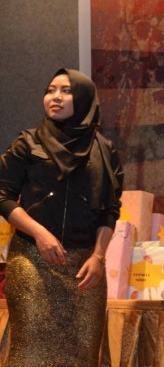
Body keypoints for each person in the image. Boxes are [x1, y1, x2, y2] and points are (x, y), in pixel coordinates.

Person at [0, 68, 123, 365]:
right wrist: (39, 234)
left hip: (85, 268)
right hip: (32, 259)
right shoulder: (28, 143)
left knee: (82, 355)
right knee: (31, 354)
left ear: (83, 98)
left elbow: (109, 211)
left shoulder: (105, 150)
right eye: (50, 90)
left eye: (66, 91)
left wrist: (98, 257)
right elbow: (2, 196)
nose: (55, 97)